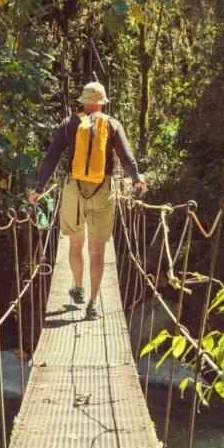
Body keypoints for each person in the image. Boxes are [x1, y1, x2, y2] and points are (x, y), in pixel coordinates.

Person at [29, 82, 146, 320]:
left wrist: (39, 188)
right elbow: (126, 157)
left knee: (75, 242)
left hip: (74, 188)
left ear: (83, 101)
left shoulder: (69, 123)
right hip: (103, 189)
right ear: (103, 102)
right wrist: (137, 179)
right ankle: (93, 303)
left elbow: (51, 157)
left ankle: (78, 287)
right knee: (98, 250)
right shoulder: (112, 124)